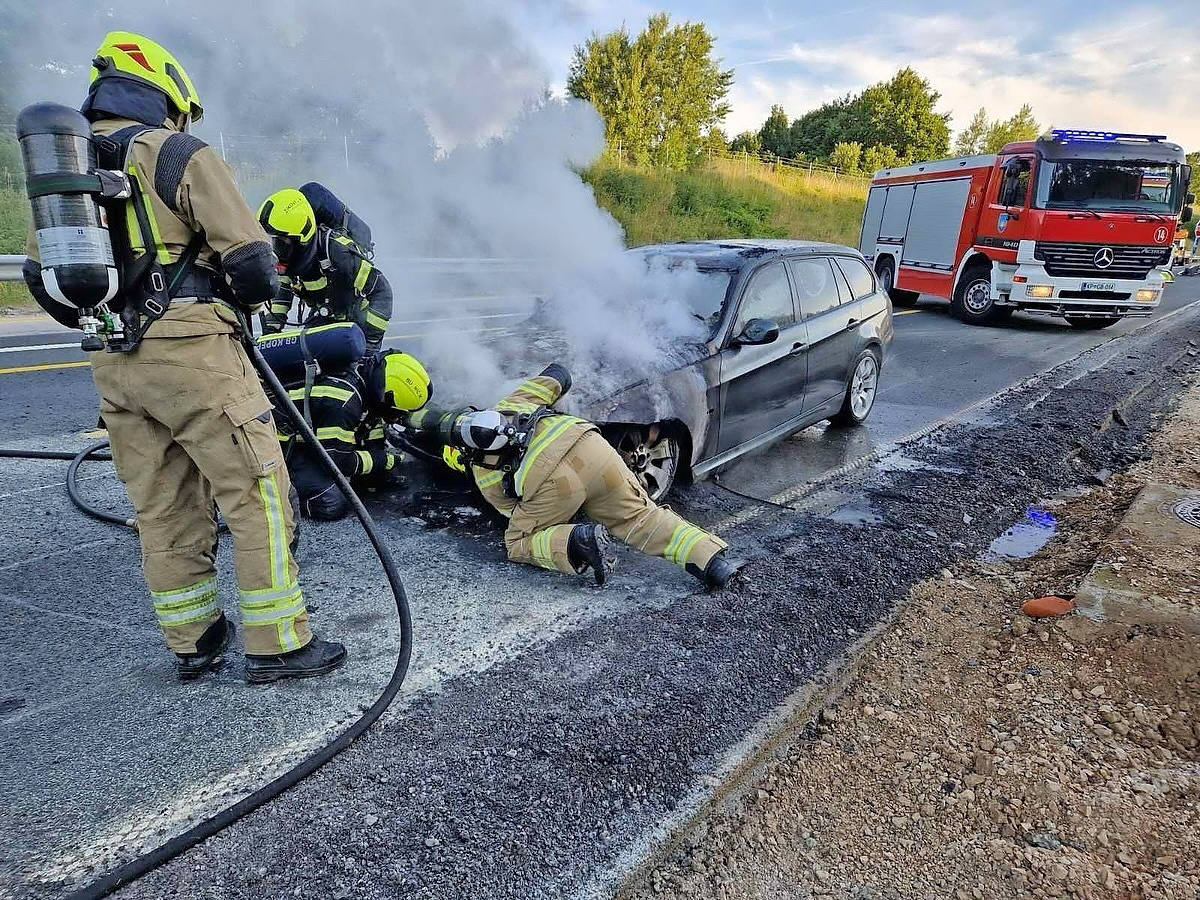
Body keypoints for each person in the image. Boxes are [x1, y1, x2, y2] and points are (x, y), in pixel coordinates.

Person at [21, 31, 344, 684]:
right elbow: (253, 260)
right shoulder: (176, 153)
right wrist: (235, 309)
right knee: (258, 495)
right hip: (197, 359)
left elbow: (41, 281)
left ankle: (194, 643)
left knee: (163, 509)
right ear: (164, 91)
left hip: (114, 364)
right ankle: (279, 644)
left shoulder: (68, 174)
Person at [403, 363, 743, 589]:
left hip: (556, 485)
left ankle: (578, 543)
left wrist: (554, 519)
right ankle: (711, 561)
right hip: (591, 447)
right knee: (642, 517)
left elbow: (515, 511)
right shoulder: (515, 401)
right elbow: (559, 375)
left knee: (517, 542)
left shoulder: (482, 473)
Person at [260, 323, 431, 520]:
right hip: (280, 440)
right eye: (396, 414)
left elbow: (370, 429)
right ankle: (279, 497)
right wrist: (383, 460)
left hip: (312, 437)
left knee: (368, 478)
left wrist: (379, 464)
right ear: (386, 397)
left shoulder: (364, 379)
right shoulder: (343, 401)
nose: (397, 419)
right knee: (330, 502)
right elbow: (336, 462)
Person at [257, 187, 392, 351]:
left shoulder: (337, 250)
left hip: (357, 321)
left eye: (280, 244)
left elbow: (382, 291)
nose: (275, 252)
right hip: (323, 315)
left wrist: (370, 345)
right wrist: (270, 336)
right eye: (270, 243)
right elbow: (281, 292)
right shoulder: (289, 260)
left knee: (351, 373)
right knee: (303, 362)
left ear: (302, 236)